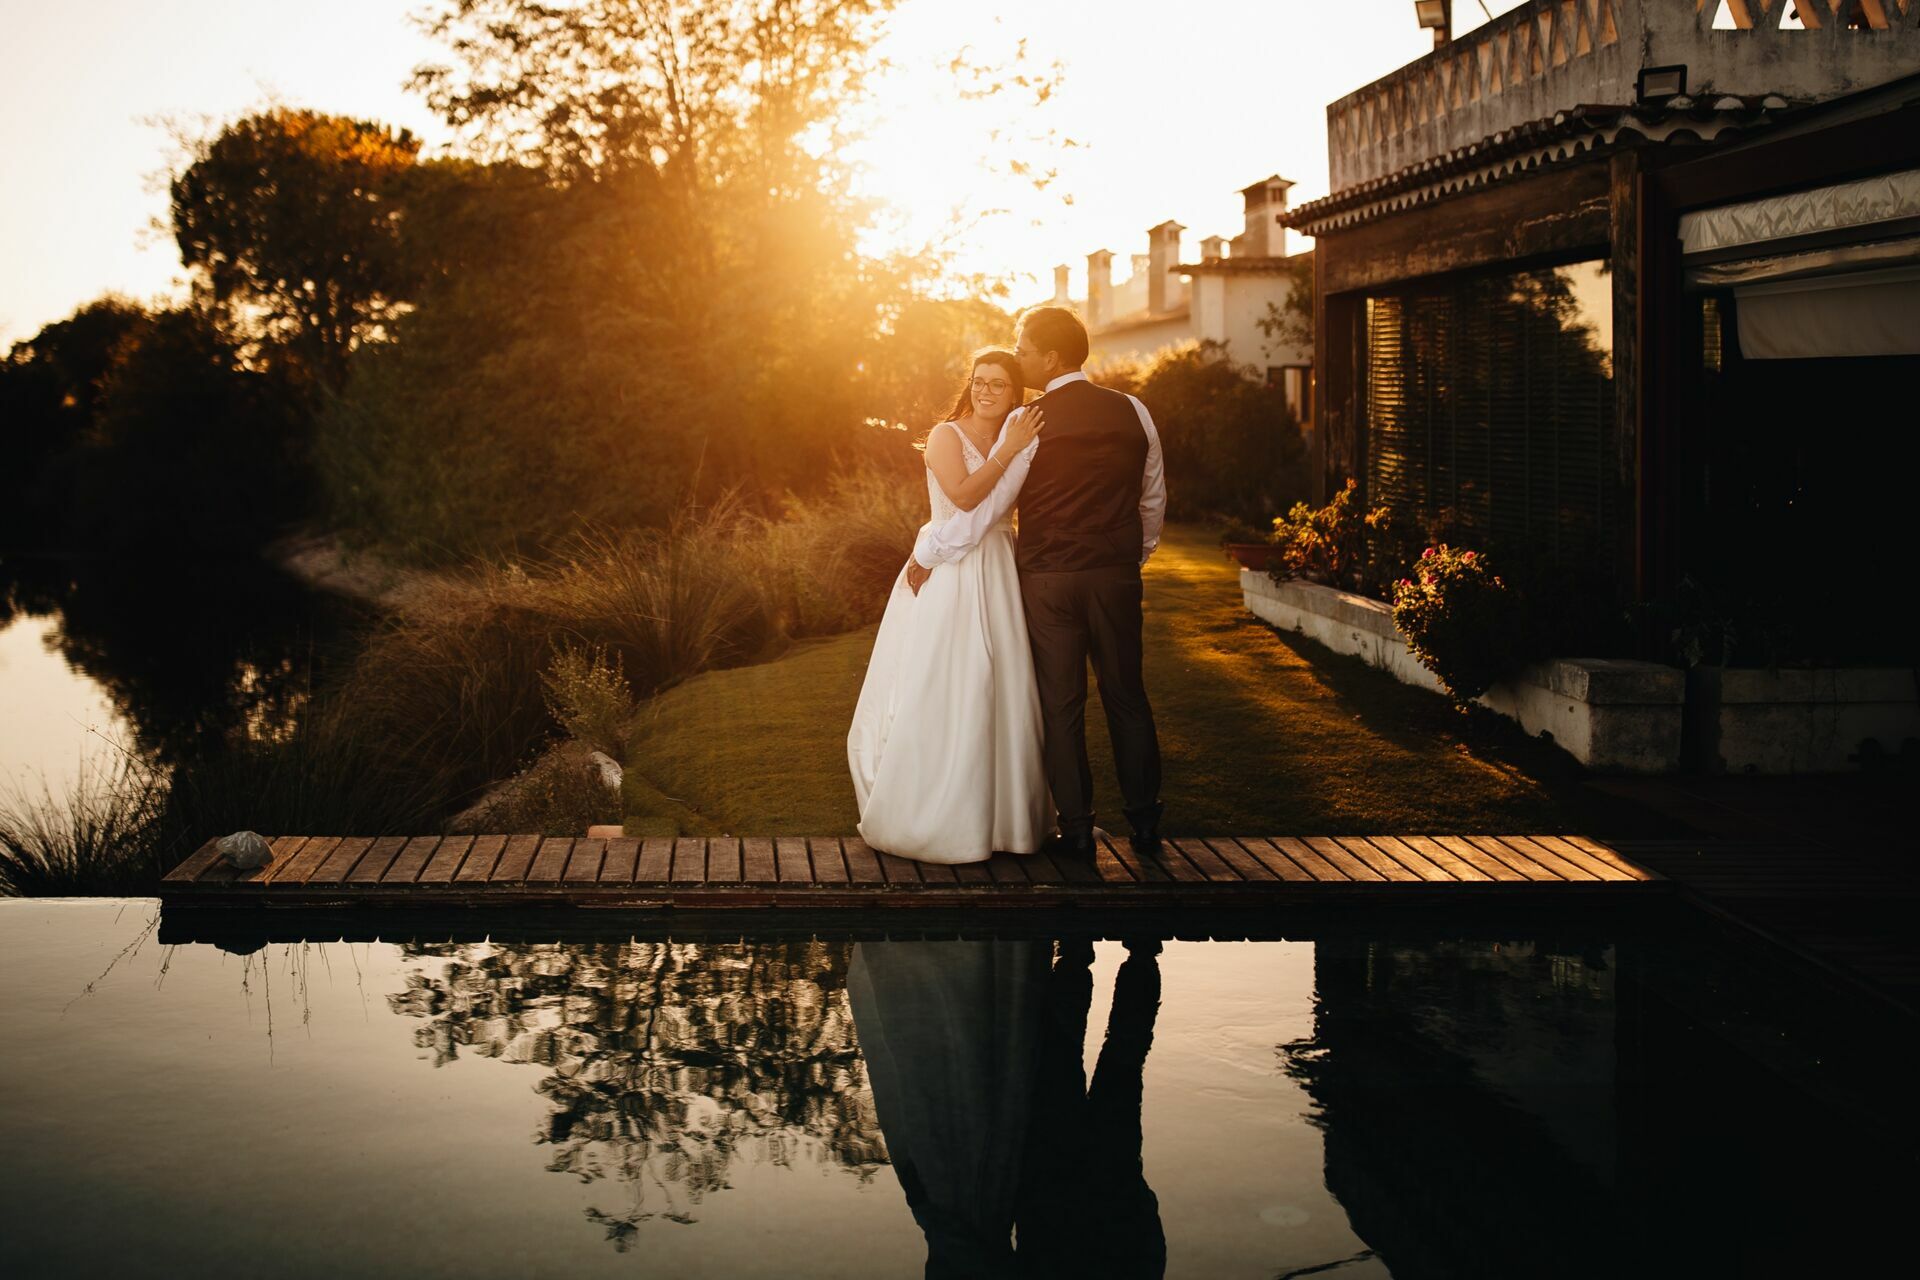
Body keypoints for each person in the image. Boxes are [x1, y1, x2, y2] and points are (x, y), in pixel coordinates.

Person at [906, 306, 1166, 860]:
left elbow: (991, 504)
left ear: (1051, 357)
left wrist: (931, 549)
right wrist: (1130, 559)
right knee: (1128, 698)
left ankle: (1076, 828)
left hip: (1047, 581)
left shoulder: (1026, 423)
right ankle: (1145, 825)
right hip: (1115, 576)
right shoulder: (1134, 411)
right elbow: (1152, 496)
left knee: (1061, 705)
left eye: (1023, 351)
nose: (1018, 359)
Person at [846, 348, 1052, 864]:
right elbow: (961, 498)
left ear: (1015, 392)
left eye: (998, 384)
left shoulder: (1023, 437)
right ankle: (935, 815)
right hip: (952, 574)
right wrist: (1009, 449)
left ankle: (1005, 822)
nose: (985, 391)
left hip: (999, 568)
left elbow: (1002, 509)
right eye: (979, 381)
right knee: (948, 680)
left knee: (1001, 683)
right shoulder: (946, 435)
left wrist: (1016, 445)